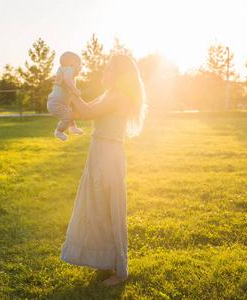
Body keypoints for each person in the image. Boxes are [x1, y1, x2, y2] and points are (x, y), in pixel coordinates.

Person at [59, 54, 147, 286]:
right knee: (98, 208)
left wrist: (73, 89)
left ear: (119, 76)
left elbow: (87, 113)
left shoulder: (119, 97)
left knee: (112, 211)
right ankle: (105, 261)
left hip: (109, 156)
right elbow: (83, 112)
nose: (104, 74)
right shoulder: (109, 95)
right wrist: (64, 97)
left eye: (108, 70)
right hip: (97, 153)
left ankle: (121, 271)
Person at [47, 51, 84, 141]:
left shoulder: (63, 69)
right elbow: (67, 79)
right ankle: (59, 132)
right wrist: (74, 90)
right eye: (79, 65)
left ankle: (72, 128)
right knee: (67, 117)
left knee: (70, 113)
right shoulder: (69, 70)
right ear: (71, 65)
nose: (81, 67)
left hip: (57, 102)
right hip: (56, 102)